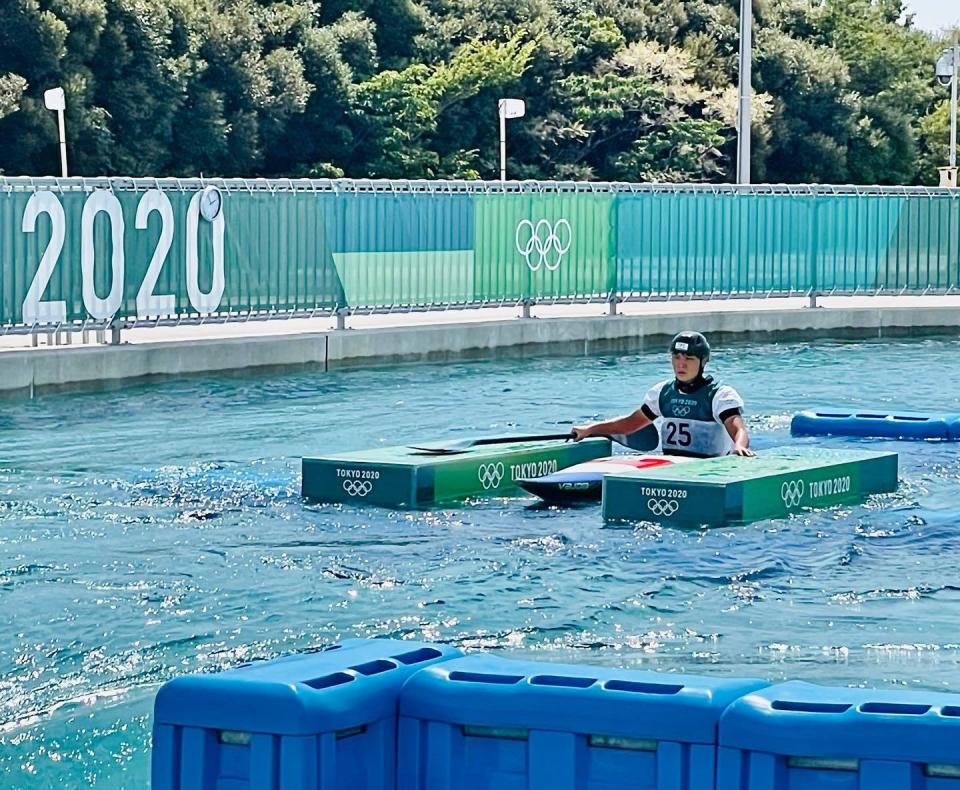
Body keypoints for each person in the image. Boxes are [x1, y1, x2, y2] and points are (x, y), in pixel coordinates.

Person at [572, 331, 755, 457]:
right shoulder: (663, 393)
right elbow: (628, 425)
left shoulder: (719, 395)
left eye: (689, 359)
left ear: (703, 362)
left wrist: (739, 446)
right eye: (676, 357)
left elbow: (739, 429)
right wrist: (590, 429)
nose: (681, 364)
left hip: (709, 469)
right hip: (671, 468)